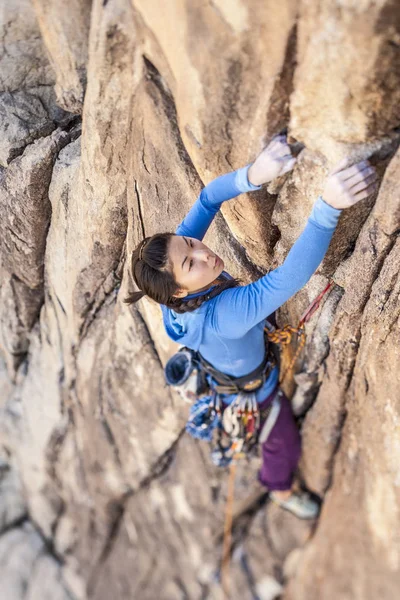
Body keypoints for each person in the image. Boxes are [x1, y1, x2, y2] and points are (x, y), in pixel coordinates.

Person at [124, 134, 377, 518]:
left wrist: (254, 174)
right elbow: (288, 278)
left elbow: (209, 198)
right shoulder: (225, 314)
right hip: (256, 391)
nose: (202, 252)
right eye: (191, 262)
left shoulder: (167, 290)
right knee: (283, 444)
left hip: (230, 359)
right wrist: (327, 206)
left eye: (190, 242)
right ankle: (280, 488)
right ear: (177, 290)